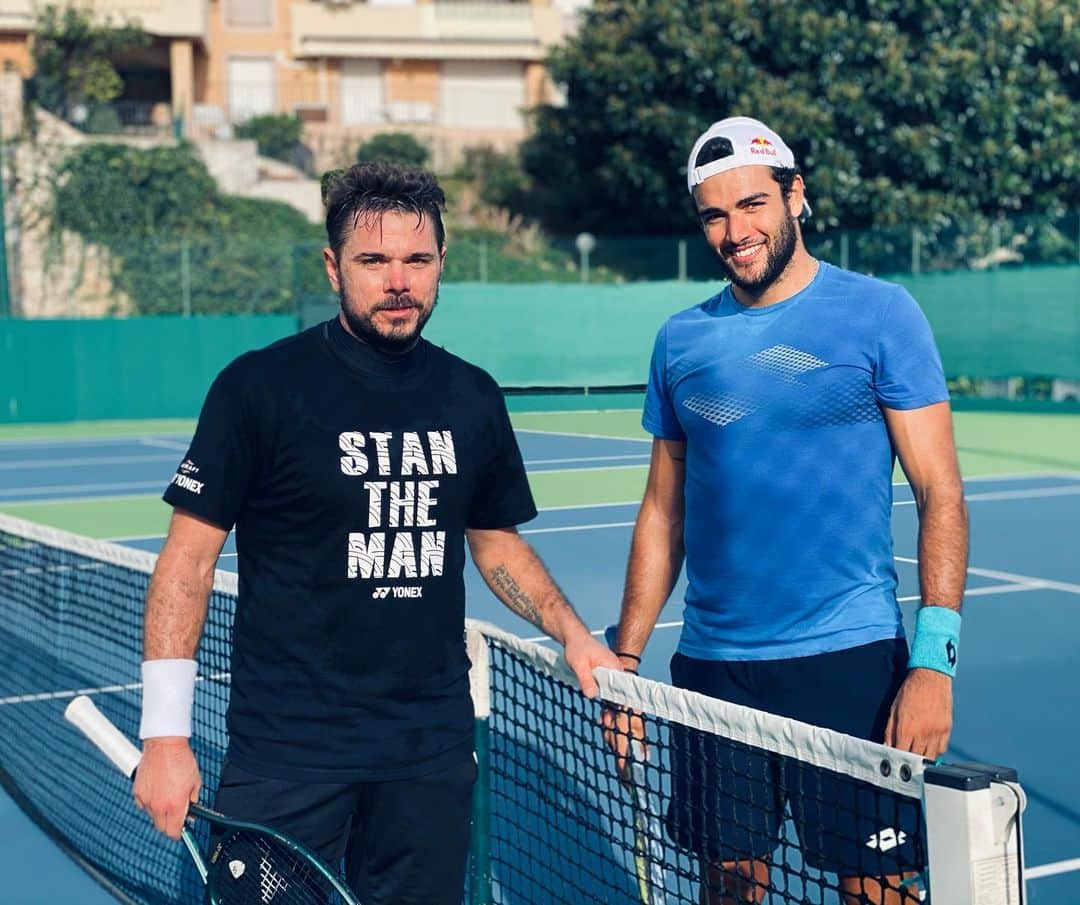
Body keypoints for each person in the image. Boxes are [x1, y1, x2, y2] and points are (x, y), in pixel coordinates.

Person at [133, 161, 621, 904]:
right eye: (374, 261)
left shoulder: (472, 396)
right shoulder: (258, 388)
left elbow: (494, 543)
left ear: (440, 264)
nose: (398, 281)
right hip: (289, 755)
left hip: (427, 753)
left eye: (417, 260)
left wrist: (573, 632)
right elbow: (187, 563)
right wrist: (164, 736)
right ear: (335, 267)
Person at [605, 117, 967, 905]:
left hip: (849, 660)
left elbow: (939, 488)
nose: (735, 232)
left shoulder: (881, 313)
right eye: (714, 215)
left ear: (796, 195)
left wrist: (935, 659)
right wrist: (626, 663)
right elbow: (663, 512)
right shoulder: (681, 340)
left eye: (753, 205)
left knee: (878, 888)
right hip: (714, 671)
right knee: (731, 885)